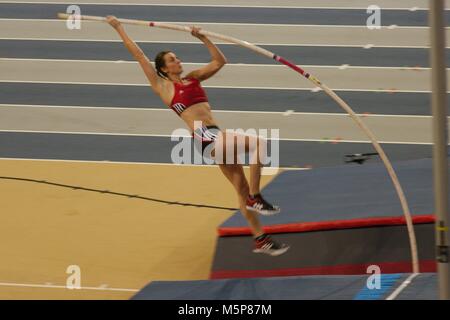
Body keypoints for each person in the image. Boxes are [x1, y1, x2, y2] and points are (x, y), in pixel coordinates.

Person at [107, 16, 289, 256]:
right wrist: (119, 28)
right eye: (172, 59)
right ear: (163, 68)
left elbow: (220, 61)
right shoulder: (164, 88)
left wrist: (203, 37)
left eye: (177, 57)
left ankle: (261, 239)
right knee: (259, 143)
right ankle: (256, 198)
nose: (178, 60)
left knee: (240, 190)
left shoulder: (193, 77)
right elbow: (139, 56)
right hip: (204, 137)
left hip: (216, 135)